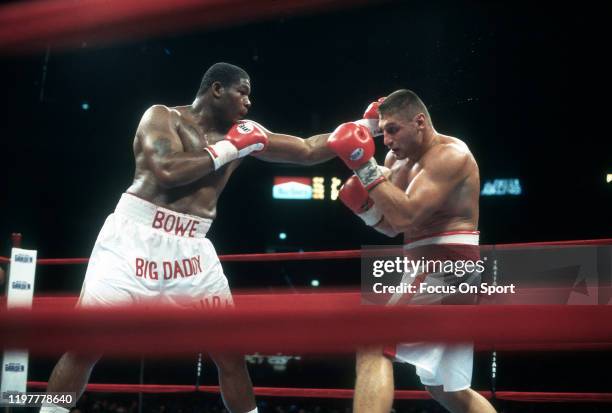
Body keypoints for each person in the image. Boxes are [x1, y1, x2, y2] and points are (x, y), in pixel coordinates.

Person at [40, 62, 345, 413]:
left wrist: (366, 127)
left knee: (231, 354)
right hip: (132, 240)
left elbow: (307, 149)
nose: (249, 102)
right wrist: (230, 148)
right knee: (86, 345)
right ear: (217, 89)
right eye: (242, 92)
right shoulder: (162, 117)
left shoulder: (245, 132)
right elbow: (168, 171)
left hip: (192, 250)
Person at [327, 89, 497, 413]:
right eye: (383, 131)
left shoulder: (451, 156)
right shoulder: (396, 161)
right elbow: (393, 226)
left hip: (443, 268)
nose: (387, 140)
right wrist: (366, 211)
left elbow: (406, 214)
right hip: (427, 267)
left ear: (419, 121)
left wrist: (364, 168)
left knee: (373, 342)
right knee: (445, 388)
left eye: (393, 129)